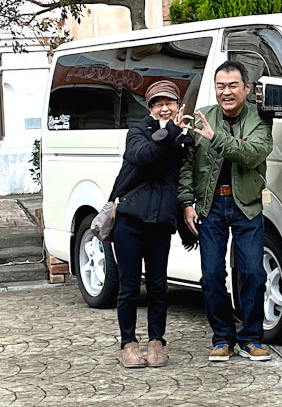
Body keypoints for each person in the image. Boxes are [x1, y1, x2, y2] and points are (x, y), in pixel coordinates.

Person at [178, 61, 274, 362]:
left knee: (252, 273)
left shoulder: (259, 118)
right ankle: (222, 338)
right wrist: (187, 202)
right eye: (221, 86)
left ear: (246, 88)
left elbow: (253, 153)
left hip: (246, 204)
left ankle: (251, 338)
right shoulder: (203, 116)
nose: (226, 92)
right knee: (211, 276)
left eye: (233, 85)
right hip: (210, 206)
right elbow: (186, 165)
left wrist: (215, 137)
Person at [110, 79, 195, 369]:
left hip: (160, 222)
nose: (164, 108)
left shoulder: (183, 138)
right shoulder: (138, 132)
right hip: (130, 221)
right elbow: (145, 157)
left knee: (159, 286)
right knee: (130, 286)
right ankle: (128, 343)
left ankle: (156, 340)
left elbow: (183, 177)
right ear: (150, 108)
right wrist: (171, 130)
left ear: (178, 105)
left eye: (169, 103)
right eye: (158, 104)